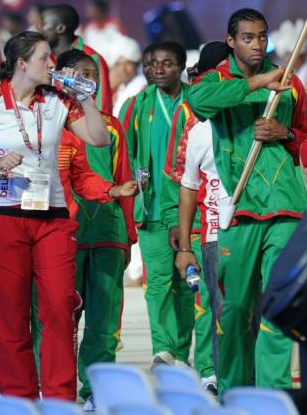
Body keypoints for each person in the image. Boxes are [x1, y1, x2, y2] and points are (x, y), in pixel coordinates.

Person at [0, 32, 109, 400]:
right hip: (2, 216)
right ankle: (18, 398)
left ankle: (59, 397)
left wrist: (88, 99)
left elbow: (99, 139)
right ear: (22, 63)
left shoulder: (59, 100)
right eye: (45, 58)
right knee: (8, 315)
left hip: (52, 216)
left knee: (59, 305)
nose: (52, 64)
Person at [186, 8, 307, 392]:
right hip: (238, 210)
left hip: (287, 206)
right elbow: (199, 101)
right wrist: (259, 84)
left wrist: (284, 131)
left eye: (262, 37)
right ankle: (234, 392)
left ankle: (273, 395)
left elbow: (305, 136)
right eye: (248, 38)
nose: (257, 45)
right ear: (231, 41)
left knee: (277, 304)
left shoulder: (291, 83)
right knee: (236, 308)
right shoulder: (216, 78)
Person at [54, 49, 138, 409]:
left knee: (104, 321)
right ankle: (58, 389)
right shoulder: (47, 125)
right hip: (61, 235)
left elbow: (124, 181)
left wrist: (128, 236)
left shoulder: (111, 127)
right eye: (79, 74)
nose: (87, 81)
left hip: (107, 233)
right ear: (61, 77)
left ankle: (96, 390)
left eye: (92, 75)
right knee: (58, 318)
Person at [118, 41, 197, 369]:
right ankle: (164, 349)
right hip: (152, 209)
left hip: (191, 208)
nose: (157, 69)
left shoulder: (197, 102)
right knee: (159, 282)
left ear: (181, 66)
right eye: (151, 64)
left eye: (166, 63)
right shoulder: (135, 106)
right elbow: (122, 155)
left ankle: (180, 345)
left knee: (189, 284)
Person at [171, 40, 233, 394]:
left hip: (258, 227)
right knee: (218, 307)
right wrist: (182, 239)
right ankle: (218, 376)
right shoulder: (193, 123)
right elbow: (183, 181)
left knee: (250, 309)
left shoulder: (260, 119)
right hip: (212, 231)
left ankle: (251, 379)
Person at [41, 4, 114, 115]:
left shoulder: (92, 58)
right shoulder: (43, 59)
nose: (37, 29)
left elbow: (103, 106)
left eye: (43, 24)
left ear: (60, 28)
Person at [110, 36, 147, 117]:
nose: (123, 69)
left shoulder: (142, 86)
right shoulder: (121, 87)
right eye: (118, 64)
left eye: (128, 63)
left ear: (136, 64)